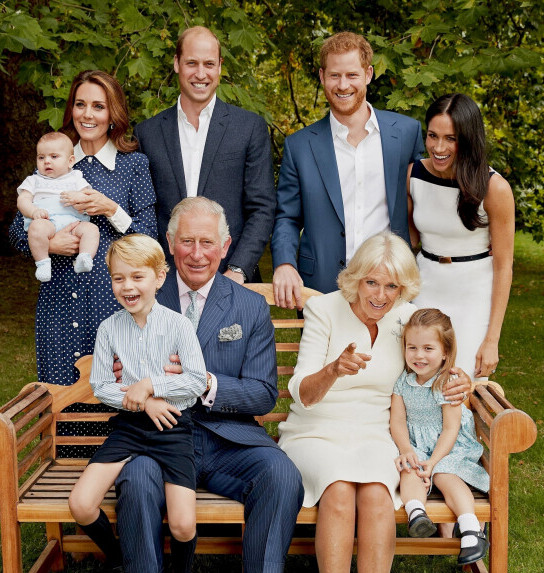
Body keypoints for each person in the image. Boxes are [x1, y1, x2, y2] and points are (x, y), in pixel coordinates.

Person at [114, 197, 304, 573]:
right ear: (169, 246)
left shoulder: (248, 306)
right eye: (186, 241)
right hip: (158, 438)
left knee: (281, 474)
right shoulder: (144, 293)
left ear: (225, 248)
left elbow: (264, 394)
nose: (196, 253)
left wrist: (204, 384)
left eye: (207, 243)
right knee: (134, 480)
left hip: (226, 438)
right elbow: (117, 365)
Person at [277, 233, 471, 573]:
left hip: (375, 431)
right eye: (372, 283)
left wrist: (460, 380)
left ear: (404, 289)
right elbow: (300, 392)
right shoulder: (324, 309)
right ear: (355, 279)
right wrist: (334, 369)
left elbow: (439, 357)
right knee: (340, 490)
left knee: (379, 496)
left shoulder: (405, 319)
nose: (380, 295)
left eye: (392, 286)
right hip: (316, 427)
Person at [68, 234, 207, 573]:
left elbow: (195, 382)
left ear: (160, 277)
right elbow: (101, 386)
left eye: (137, 277)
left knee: (181, 525)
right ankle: (119, 560)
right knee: (80, 503)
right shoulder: (109, 329)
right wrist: (143, 401)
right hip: (129, 427)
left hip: (172, 428)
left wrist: (151, 384)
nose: (128, 287)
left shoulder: (179, 326)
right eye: (118, 278)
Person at [10, 70, 157, 385]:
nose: (87, 114)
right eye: (80, 104)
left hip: (113, 299)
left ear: (113, 114)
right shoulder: (53, 160)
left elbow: (149, 237)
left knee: (117, 395)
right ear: (70, 110)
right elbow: (15, 232)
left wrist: (112, 209)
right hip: (59, 299)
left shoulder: (133, 165)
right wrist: (49, 246)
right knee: (61, 395)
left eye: (98, 106)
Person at [271, 31, 424, 308]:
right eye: (334, 75)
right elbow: (287, 218)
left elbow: (425, 199)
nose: (343, 85)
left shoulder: (406, 133)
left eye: (352, 75)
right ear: (321, 76)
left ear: (368, 74)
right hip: (320, 286)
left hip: (391, 285)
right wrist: (283, 263)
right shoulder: (300, 146)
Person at [134, 25, 275, 283]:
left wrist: (238, 269)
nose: (201, 74)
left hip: (232, 278)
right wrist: (158, 269)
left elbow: (262, 208)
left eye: (209, 64)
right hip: (166, 282)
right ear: (177, 63)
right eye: (192, 63)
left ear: (220, 66)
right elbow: (145, 211)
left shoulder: (249, 128)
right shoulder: (147, 133)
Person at [409, 93, 515, 379]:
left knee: (461, 386)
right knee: (419, 381)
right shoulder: (413, 175)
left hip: (473, 296)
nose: (438, 147)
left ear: (467, 139)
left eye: (450, 138)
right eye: (432, 135)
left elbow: (504, 266)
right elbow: (408, 241)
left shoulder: (495, 188)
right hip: (424, 290)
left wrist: (492, 339)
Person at [390, 308, 489, 566]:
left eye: (428, 349)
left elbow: (450, 429)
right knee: (409, 470)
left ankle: (470, 529)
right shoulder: (403, 381)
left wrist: (433, 463)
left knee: (444, 475)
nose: (418, 355)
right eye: (412, 347)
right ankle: (417, 515)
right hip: (417, 446)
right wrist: (406, 449)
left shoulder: (448, 382)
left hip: (449, 447)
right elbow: (398, 421)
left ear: (445, 352)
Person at [17, 132, 100, 282]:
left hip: (74, 222)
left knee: (92, 230)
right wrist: (34, 211)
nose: (47, 161)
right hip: (47, 221)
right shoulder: (34, 180)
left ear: (70, 161)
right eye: (41, 157)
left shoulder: (76, 178)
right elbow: (22, 200)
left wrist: (79, 197)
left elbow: (89, 197)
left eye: (54, 157)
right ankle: (42, 262)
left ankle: (85, 257)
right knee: (36, 229)